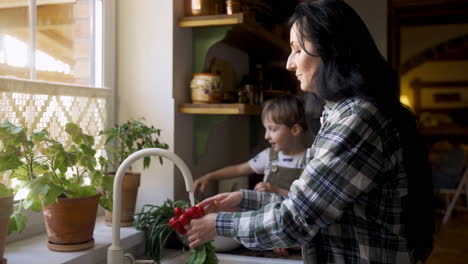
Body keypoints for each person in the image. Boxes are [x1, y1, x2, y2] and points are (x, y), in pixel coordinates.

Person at [186, 0, 435, 263]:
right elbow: (309, 206)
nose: (289, 64)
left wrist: (219, 224)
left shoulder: (357, 119)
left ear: (330, 50)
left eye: (296, 50)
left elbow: (295, 221)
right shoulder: (341, 113)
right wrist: (243, 199)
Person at [194, 94, 309, 198]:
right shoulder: (268, 156)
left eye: (273, 129)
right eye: (266, 129)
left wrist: (276, 190)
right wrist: (209, 176)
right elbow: (238, 169)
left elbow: (309, 200)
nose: (266, 136)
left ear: (294, 130)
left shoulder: (310, 160)